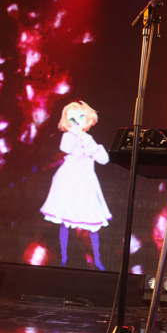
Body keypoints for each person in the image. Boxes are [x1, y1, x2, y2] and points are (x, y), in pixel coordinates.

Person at [40, 101, 112, 270]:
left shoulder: (89, 139)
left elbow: (104, 159)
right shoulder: (69, 137)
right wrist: (79, 137)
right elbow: (66, 147)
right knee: (65, 222)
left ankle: (97, 259)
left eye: (81, 117)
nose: (77, 121)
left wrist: (89, 143)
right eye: (72, 118)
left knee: (92, 223)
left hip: (86, 183)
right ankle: (64, 258)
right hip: (69, 181)